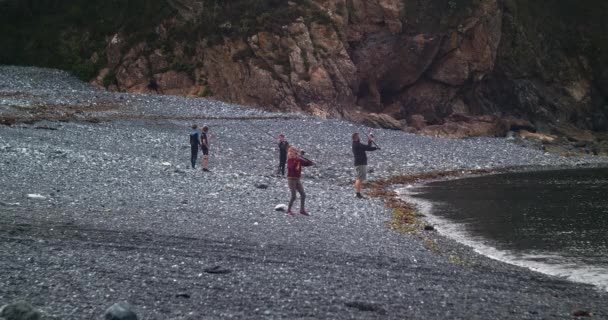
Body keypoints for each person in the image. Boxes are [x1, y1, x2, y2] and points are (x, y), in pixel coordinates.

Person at [286, 146, 313, 216]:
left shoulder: (298, 159)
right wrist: (297, 159)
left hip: (297, 179)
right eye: (295, 151)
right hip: (291, 179)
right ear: (291, 152)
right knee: (293, 196)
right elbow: (291, 167)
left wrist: (308, 161)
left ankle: (302, 210)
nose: (296, 152)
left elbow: (307, 164)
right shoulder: (290, 160)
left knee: (303, 194)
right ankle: (288, 210)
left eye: (296, 151)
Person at [352, 132, 379, 199]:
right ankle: (358, 194)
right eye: (358, 136)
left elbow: (367, 148)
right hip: (360, 163)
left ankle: (358, 193)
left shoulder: (356, 144)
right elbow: (367, 147)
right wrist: (370, 142)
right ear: (356, 137)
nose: (359, 137)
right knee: (359, 178)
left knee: (359, 178)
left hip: (359, 163)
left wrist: (374, 146)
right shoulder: (357, 144)